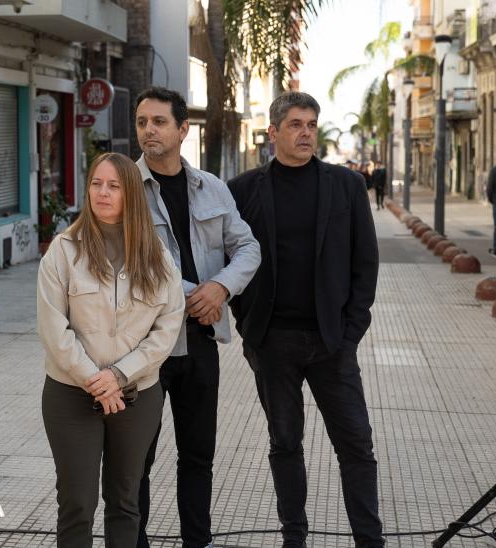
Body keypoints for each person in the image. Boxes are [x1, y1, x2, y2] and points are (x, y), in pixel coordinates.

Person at [227, 92, 383, 548]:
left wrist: (351, 331)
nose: (306, 133)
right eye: (296, 124)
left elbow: (365, 263)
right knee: (285, 443)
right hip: (273, 342)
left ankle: (369, 540)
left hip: (332, 342)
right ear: (273, 133)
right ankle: (294, 536)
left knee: (356, 445)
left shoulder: (346, 186)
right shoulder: (243, 190)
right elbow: (231, 260)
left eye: (312, 124)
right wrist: (248, 324)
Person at [134, 86, 261, 548]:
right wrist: (199, 291)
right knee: (137, 460)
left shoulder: (213, 187)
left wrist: (222, 286)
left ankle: (197, 541)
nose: (149, 129)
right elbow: (130, 264)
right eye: (142, 121)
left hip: (201, 341)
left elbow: (247, 247)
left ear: (183, 129)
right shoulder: (122, 188)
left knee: (198, 456)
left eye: (159, 121)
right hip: (143, 346)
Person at [37, 152, 186, 547]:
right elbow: (54, 328)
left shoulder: (159, 257)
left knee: (126, 501)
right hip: (70, 395)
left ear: (131, 194)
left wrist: (119, 375)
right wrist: (95, 379)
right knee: (76, 504)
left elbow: (167, 327)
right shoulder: (64, 251)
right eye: (96, 184)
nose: (102, 193)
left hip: (137, 396)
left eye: (114, 186)